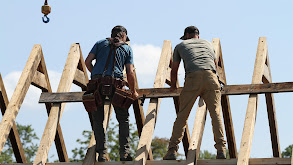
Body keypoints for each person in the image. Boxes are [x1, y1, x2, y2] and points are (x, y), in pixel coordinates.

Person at [163, 26, 227, 160]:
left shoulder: (181, 45)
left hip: (193, 77)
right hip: (211, 78)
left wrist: (173, 86)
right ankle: (221, 150)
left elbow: (174, 69)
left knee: (182, 115)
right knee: (215, 114)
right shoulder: (208, 44)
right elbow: (215, 66)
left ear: (186, 35)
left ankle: (172, 151)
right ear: (198, 35)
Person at [85, 25, 139, 162]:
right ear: (124, 36)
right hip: (116, 85)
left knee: (98, 119)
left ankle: (102, 153)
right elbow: (130, 72)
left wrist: (96, 75)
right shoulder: (126, 48)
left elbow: (87, 62)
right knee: (123, 119)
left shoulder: (99, 43)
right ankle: (124, 153)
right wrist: (133, 91)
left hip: (97, 85)